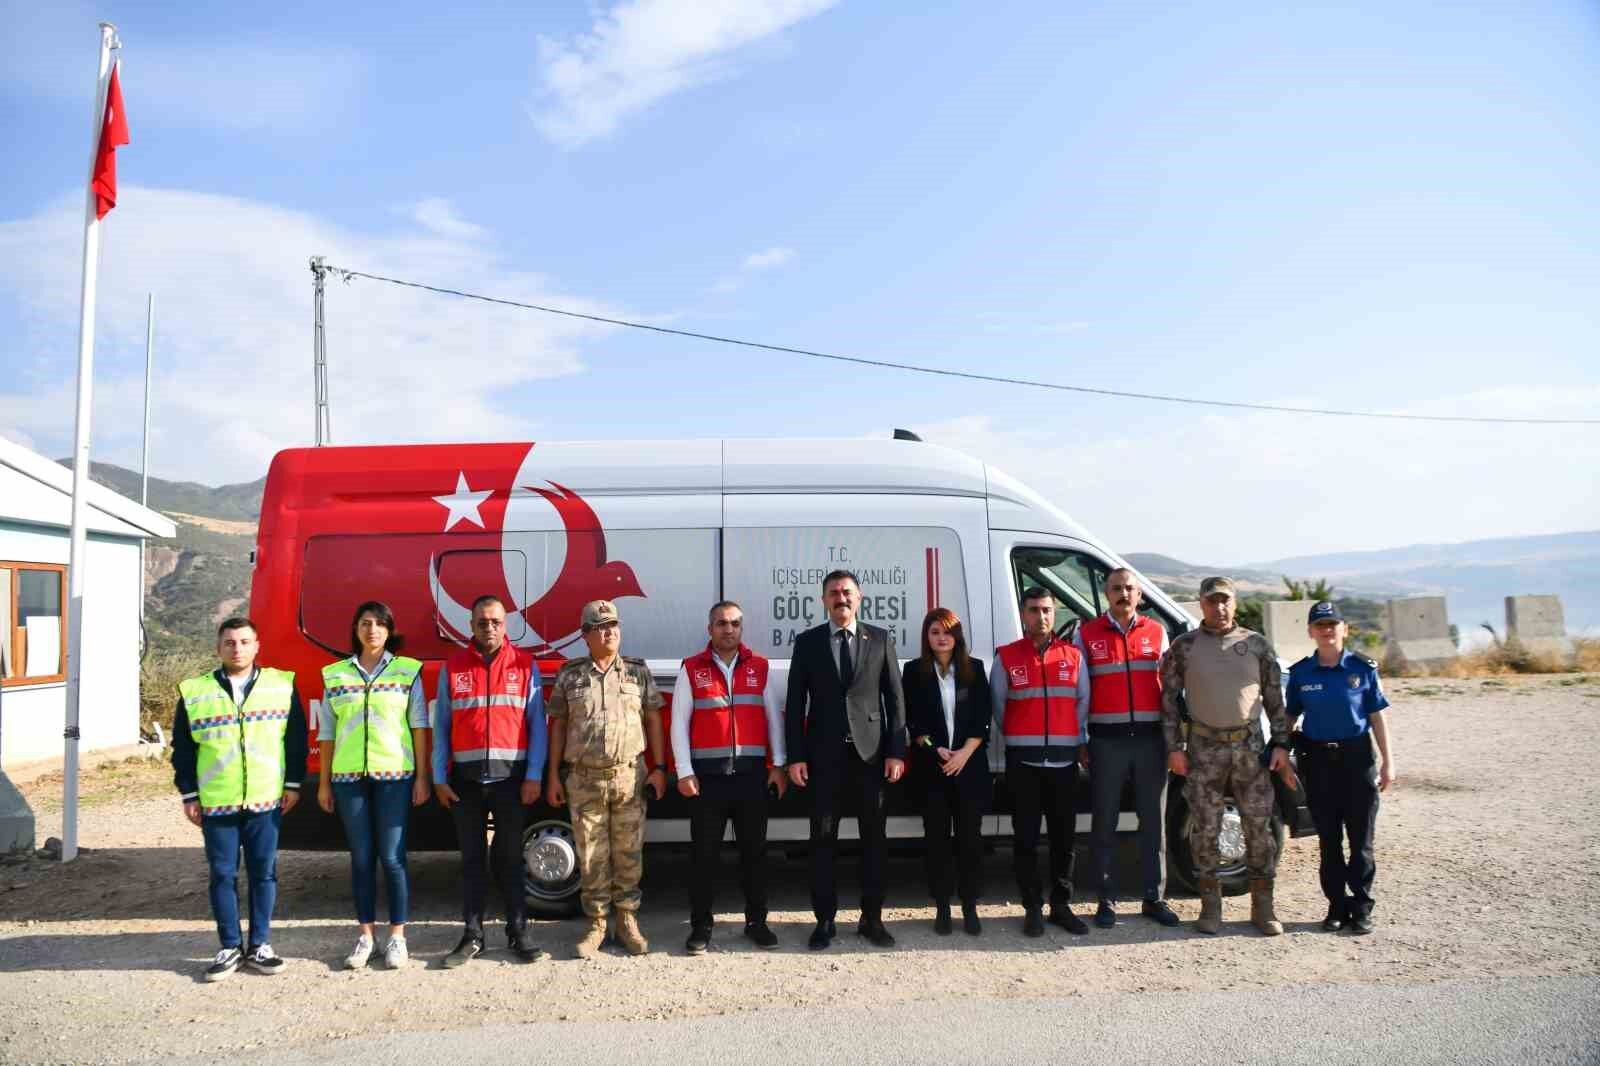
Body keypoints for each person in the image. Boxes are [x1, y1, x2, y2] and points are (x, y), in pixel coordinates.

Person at [171, 616, 308, 982]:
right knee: (222, 874)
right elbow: (182, 749)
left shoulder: (281, 685)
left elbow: (294, 741)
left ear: (257, 646)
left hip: (266, 800)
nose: (237, 648)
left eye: (245, 642)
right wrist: (189, 793)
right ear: (218, 648)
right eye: (230, 642)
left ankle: (260, 945)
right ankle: (229, 946)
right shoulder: (194, 691)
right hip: (217, 802)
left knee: (264, 873)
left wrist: (293, 785)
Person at [1160, 576, 1292, 936]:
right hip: (1204, 749)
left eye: (1225, 601)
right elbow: (1169, 702)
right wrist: (1174, 748)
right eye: (1211, 601)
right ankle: (1210, 907)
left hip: (1249, 748)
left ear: (1234, 603)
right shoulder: (1184, 647)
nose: (1219, 608)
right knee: (1205, 830)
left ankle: (1263, 908)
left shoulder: (1256, 645)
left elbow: (1275, 699)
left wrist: (1282, 743)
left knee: (1259, 829)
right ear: (1200, 605)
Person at [785, 569, 908, 951]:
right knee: (822, 840)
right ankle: (825, 920)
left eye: (847, 592)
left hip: (871, 759)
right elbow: (794, 705)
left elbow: (895, 700)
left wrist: (895, 751)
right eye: (834, 592)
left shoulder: (880, 639)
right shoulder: (807, 642)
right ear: (823, 600)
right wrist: (796, 757)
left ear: (860, 597)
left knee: (875, 840)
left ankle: (872, 919)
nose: (841, 598)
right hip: (824, 760)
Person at [546, 599, 668, 958]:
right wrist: (553, 775)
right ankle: (597, 924)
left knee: (629, 854)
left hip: (629, 776)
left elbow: (653, 720)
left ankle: (627, 920)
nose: (609, 631)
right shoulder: (570, 675)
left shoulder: (637, 672)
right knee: (591, 855)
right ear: (585, 635)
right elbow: (558, 726)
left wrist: (659, 768)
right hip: (583, 780)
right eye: (600, 627)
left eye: (613, 625)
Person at [431, 595, 547, 967]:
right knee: (472, 860)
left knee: (511, 859)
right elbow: (442, 727)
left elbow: (537, 727)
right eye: (482, 621)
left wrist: (533, 776)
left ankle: (519, 931)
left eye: (496, 621)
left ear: (506, 624)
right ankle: (472, 934)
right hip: (464, 782)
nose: (489, 627)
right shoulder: (453, 668)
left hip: (511, 781)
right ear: (471, 626)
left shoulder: (525, 666)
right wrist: (438, 776)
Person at [316, 601, 430, 970]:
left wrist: (423, 777)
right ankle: (366, 936)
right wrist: (323, 783)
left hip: (395, 777)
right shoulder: (335, 675)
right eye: (365, 623)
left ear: (389, 629)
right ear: (355, 628)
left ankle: (398, 937)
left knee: (393, 859)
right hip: (349, 780)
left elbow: (419, 727)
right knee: (361, 860)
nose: (373, 630)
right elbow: (328, 733)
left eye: (380, 624)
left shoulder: (408, 672)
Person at [671, 601, 787, 954]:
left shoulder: (760, 667)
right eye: (721, 623)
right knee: (704, 857)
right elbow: (679, 723)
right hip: (707, 781)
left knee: (755, 854)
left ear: (742, 628)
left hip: (751, 778)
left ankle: (757, 922)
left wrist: (778, 764)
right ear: (710, 629)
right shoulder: (691, 668)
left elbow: (773, 720)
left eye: (735, 623)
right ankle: (701, 926)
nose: (729, 629)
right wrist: (684, 771)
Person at [1074, 569, 1180, 928]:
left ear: (1139, 594)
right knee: (1104, 823)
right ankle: (1106, 899)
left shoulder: (1156, 632)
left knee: (1154, 823)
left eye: (1130, 589)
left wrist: (1173, 738)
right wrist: (1081, 739)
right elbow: (1080, 692)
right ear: (1107, 593)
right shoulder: (1086, 634)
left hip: (1151, 740)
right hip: (1106, 741)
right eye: (1117, 588)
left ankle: (1155, 897)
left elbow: (1169, 690)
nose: (1123, 594)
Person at [1287, 600, 1396, 935]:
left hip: (1357, 760)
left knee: (1361, 841)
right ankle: (1335, 906)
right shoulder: (1302, 672)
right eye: (1320, 625)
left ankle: (1361, 907)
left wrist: (1389, 762)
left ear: (1344, 629)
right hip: (1318, 763)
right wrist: (1280, 750)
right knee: (1329, 842)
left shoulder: (1362, 669)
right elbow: (1290, 716)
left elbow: (1377, 716)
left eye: (1333, 624)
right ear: (1311, 631)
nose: (1327, 630)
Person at [992, 587, 1091, 937]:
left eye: (1047, 610)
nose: (1042, 616)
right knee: (1026, 842)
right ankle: (1032, 906)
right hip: (1024, 766)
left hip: (1064, 765)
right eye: (1034, 610)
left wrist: (1071, 741)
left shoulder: (1073, 656)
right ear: (1023, 614)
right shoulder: (1006, 657)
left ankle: (1061, 905)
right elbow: (1000, 708)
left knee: (1064, 840)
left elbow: (1082, 705)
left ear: (1055, 613)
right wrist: (1023, 738)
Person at [903, 607, 992, 936]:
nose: (942, 638)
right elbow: (912, 723)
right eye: (934, 632)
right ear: (927, 637)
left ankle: (970, 905)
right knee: (937, 841)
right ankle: (942, 905)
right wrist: (935, 750)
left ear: (958, 636)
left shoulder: (975, 669)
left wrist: (964, 753)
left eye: (947, 632)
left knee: (970, 839)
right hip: (933, 770)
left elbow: (984, 718)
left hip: (969, 768)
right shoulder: (914, 672)